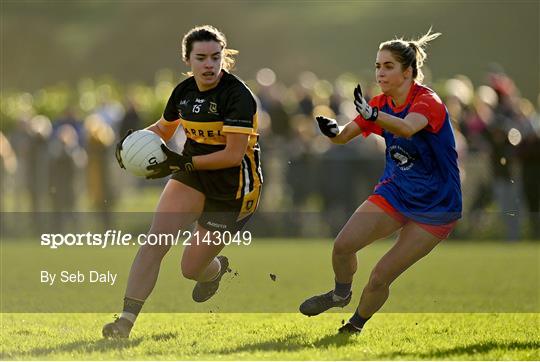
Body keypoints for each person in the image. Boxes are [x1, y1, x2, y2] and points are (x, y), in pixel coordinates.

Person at [103, 25, 263, 338]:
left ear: (223, 59)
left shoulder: (237, 96)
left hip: (232, 189)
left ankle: (214, 270)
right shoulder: (184, 91)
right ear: (187, 59)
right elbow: (164, 128)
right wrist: (132, 144)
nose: (209, 65)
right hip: (192, 174)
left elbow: (232, 156)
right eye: (201, 57)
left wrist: (183, 160)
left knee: (191, 268)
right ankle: (124, 322)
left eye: (215, 57)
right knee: (155, 241)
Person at [299, 29, 462, 333]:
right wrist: (331, 129)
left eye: (388, 66)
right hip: (396, 192)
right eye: (377, 66)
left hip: (437, 206)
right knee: (343, 247)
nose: (380, 72)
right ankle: (340, 294)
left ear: (408, 72)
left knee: (379, 277)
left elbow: (407, 128)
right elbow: (344, 136)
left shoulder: (427, 101)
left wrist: (373, 115)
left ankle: (354, 326)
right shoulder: (379, 103)